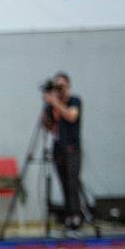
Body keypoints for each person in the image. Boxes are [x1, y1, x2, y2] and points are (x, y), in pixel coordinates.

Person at [42, 71, 84, 230]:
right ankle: (68, 216)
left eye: (61, 86)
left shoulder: (75, 101)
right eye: (56, 86)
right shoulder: (52, 105)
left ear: (68, 86)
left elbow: (71, 116)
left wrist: (55, 102)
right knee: (63, 183)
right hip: (58, 148)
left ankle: (76, 216)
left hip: (72, 148)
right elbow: (52, 128)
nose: (59, 89)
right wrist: (47, 110)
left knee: (73, 182)